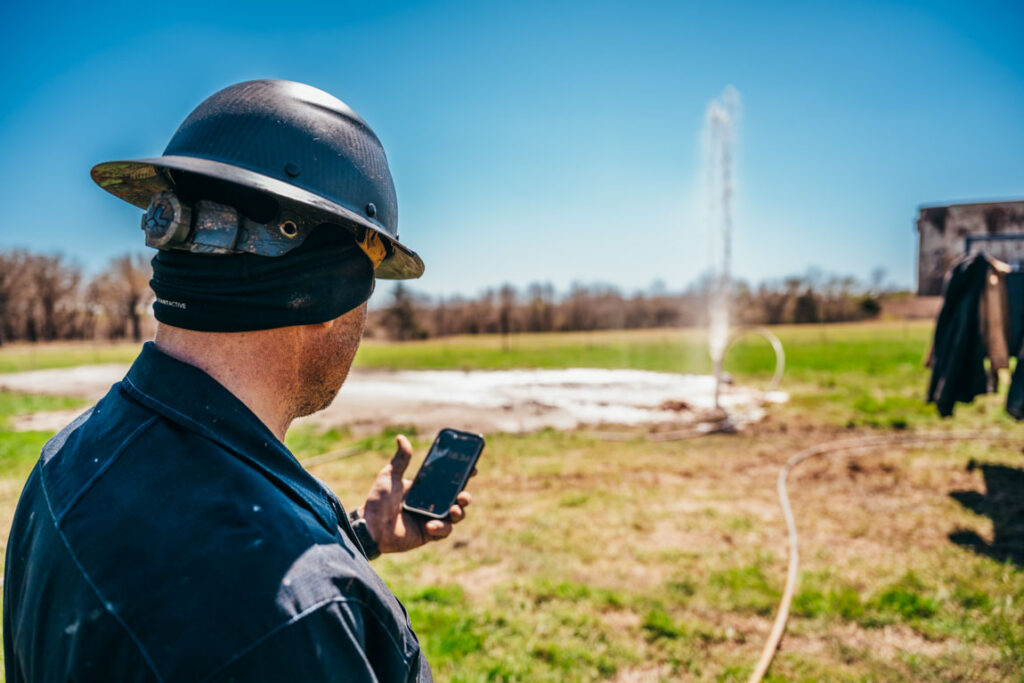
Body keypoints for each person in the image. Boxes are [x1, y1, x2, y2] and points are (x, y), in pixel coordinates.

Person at [3, 79, 470, 682]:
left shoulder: (65, 462)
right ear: (332, 288)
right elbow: (244, 605)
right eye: (371, 275)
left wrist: (356, 537)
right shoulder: (294, 618)